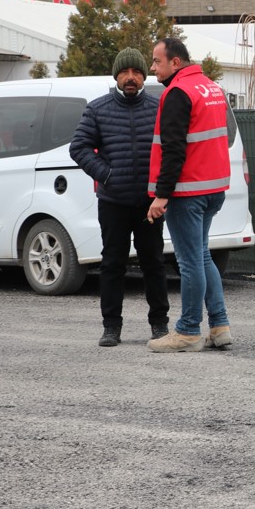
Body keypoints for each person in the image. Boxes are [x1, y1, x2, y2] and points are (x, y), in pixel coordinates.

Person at [69, 48, 169, 347]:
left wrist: (162, 189)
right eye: (125, 72)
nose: (130, 78)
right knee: (113, 263)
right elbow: (79, 148)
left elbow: (170, 148)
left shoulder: (158, 107)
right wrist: (107, 174)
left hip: (150, 204)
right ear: (116, 76)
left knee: (153, 263)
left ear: (143, 76)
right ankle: (111, 327)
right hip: (113, 202)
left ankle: (159, 325)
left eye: (136, 72)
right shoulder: (98, 109)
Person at [146, 38, 234, 352]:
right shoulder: (211, 88)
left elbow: (173, 150)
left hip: (188, 191)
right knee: (202, 255)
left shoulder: (177, 93)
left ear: (176, 63)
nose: (152, 67)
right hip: (213, 188)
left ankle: (187, 332)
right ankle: (220, 326)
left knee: (190, 262)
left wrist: (161, 195)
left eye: (157, 61)